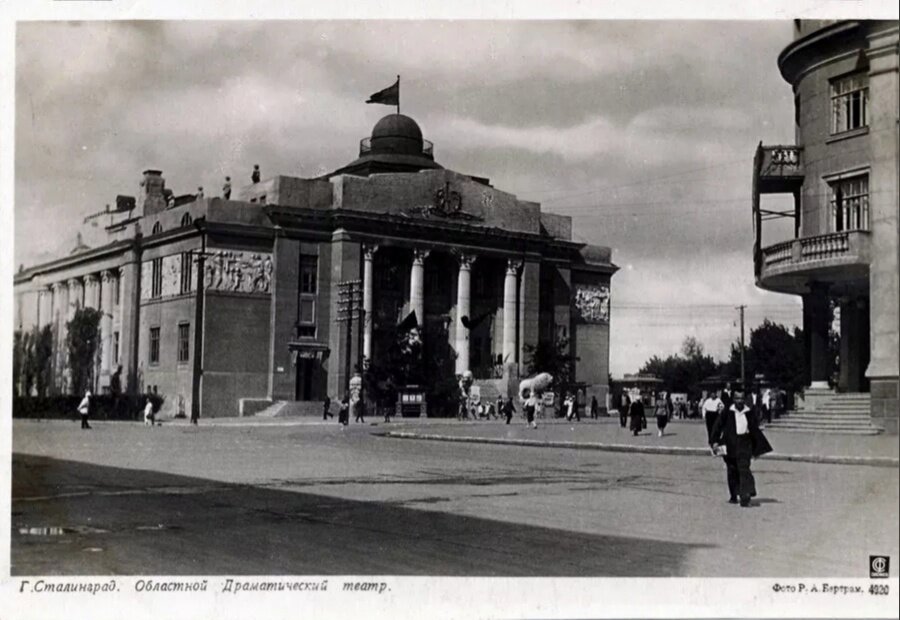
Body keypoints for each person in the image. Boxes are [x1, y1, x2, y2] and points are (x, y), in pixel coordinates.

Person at [709, 391, 773, 507]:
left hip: (745, 444)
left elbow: (754, 430)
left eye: (742, 399)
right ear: (734, 399)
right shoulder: (727, 412)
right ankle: (734, 495)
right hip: (730, 444)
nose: (740, 401)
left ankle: (745, 496)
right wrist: (714, 441)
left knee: (744, 469)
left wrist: (757, 448)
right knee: (732, 470)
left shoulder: (749, 412)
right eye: (737, 399)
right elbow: (717, 426)